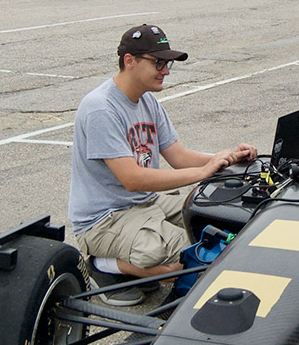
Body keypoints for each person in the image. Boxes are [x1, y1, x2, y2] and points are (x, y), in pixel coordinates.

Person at [68, 25, 258, 305]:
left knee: (214, 223)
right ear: (129, 61)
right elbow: (132, 179)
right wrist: (202, 173)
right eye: (158, 62)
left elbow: (178, 156)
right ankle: (102, 266)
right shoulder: (100, 108)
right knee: (195, 262)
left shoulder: (147, 101)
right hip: (104, 219)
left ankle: (136, 264)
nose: (166, 70)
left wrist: (226, 157)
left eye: (167, 63)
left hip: (145, 204)